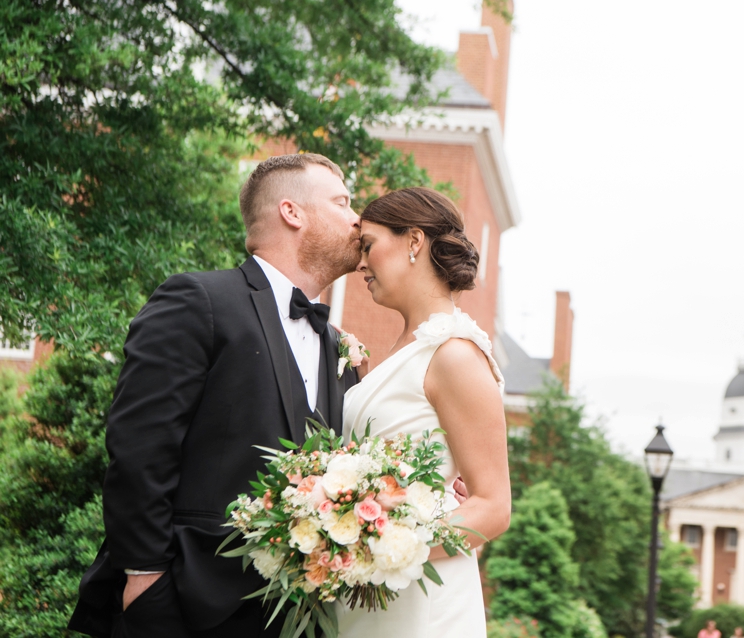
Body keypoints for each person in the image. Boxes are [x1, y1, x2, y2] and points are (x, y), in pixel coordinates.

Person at [68, 153, 363, 637]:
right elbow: (140, 447)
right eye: (343, 201)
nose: (357, 218)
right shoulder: (198, 300)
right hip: (182, 604)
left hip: (290, 616)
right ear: (293, 212)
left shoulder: (340, 349)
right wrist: (145, 580)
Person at [337, 187, 512, 637]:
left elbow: (492, 508)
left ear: (414, 242)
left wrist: (374, 544)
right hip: (374, 591)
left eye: (369, 245)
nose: (360, 264)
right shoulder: (408, 350)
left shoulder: (453, 355)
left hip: (423, 598)